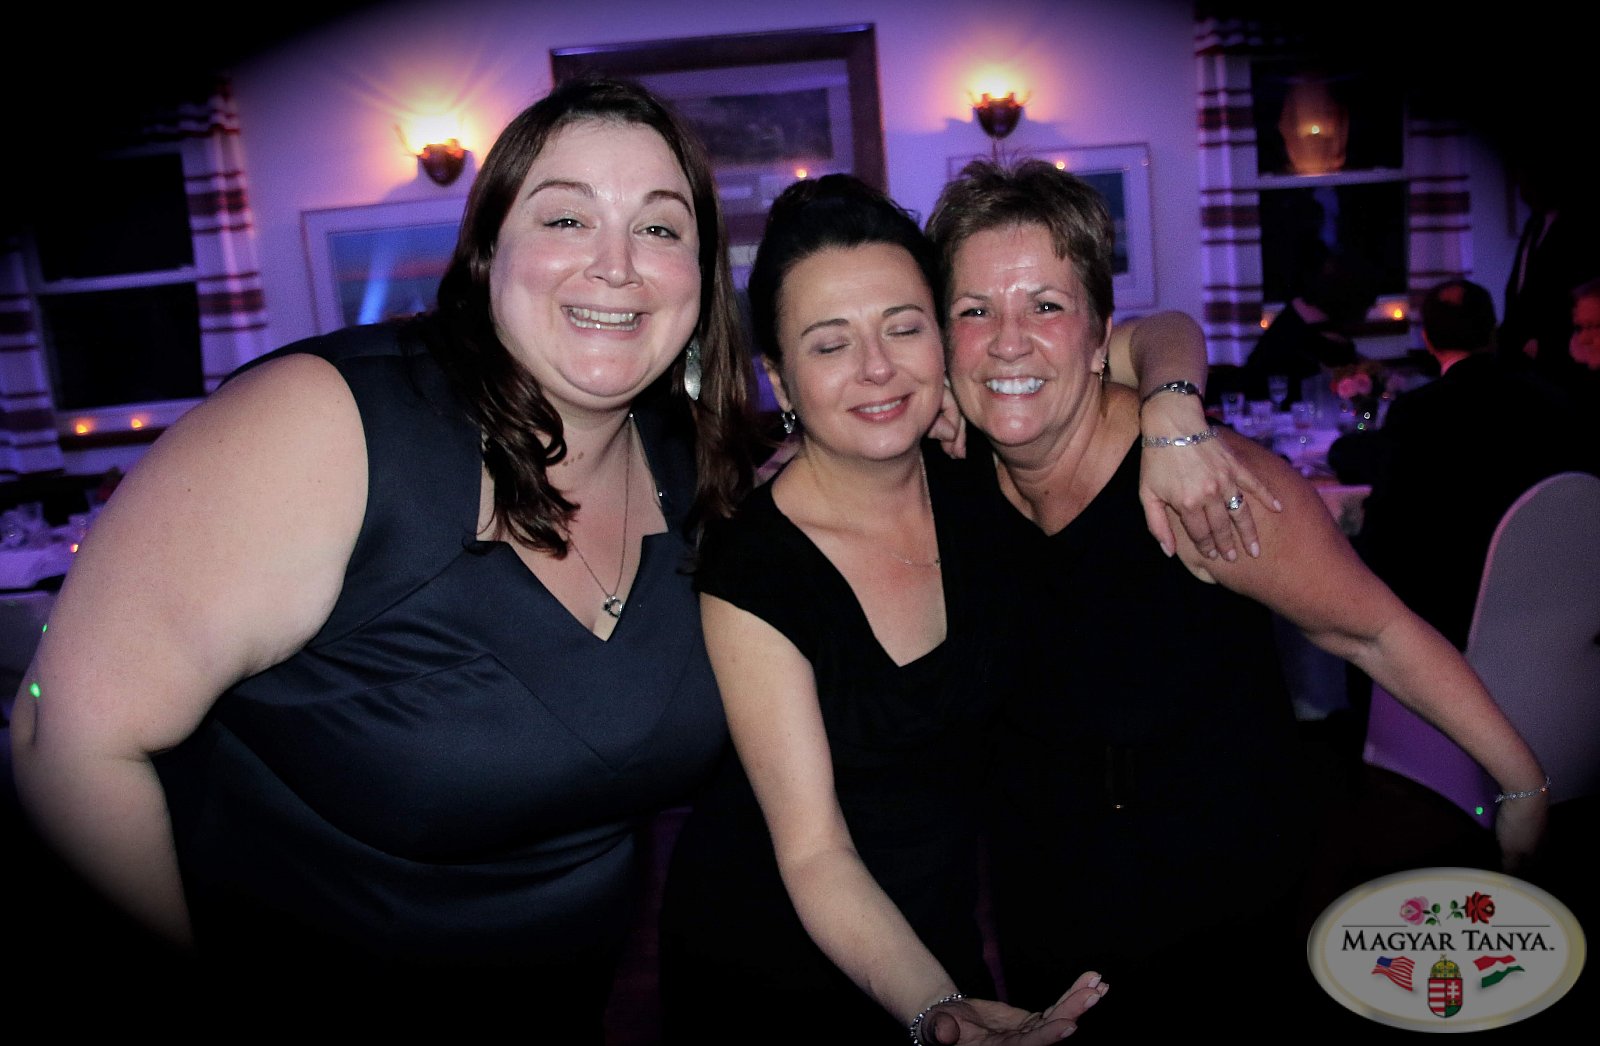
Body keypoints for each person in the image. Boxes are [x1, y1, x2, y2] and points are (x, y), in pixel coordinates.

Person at [8, 77, 755, 1036]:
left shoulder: (696, 468)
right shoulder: (324, 426)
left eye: (659, 228)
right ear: (487, 253)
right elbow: (64, 737)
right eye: (566, 218)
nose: (616, 265)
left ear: (701, 277)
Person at [924, 159, 1550, 1036]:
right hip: (1043, 897)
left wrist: (1520, 782)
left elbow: (1374, 632)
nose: (1007, 341)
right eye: (974, 311)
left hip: (1208, 911)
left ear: (1100, 338)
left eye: (1047, 306)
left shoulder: (1196, 483)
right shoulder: (955, 478)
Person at [657, 174, 1269, 1044]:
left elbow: (1152, 333)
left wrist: (1175, 411)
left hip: (939, 931)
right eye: (831, 344)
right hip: (782, 956)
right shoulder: (754, 568)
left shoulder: (978, 472)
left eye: (904, 327)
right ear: (779, 380)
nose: (877, 367)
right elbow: (814, 852)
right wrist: (934, 1007)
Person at [1347, 278, 1586, 651]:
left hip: (1445, 621)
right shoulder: (1552, 400)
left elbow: (1388, 527)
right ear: (1492, 332)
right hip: (1556, 610)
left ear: (1427, 340)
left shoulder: (1418, 412)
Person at [1498, 141, 1600, 384]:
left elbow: (1578, 291)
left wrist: (1547, 344)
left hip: (1560, 355)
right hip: (1523, 357)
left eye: (1528, 179)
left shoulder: (1579, 227)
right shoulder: (1534, 225)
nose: (1522, 188)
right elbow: (1521, 289)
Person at [1242, 247, 1379, 403]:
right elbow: (1343, 368)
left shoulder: (1298, 312)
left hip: (1269, 398)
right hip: (1282, 405)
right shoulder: (1321, 331)